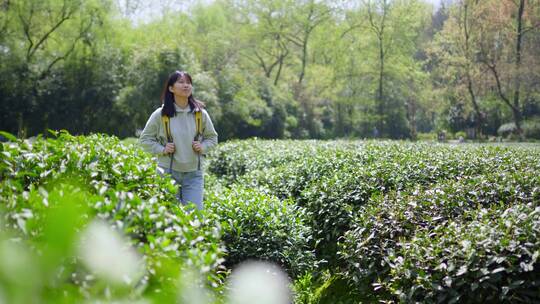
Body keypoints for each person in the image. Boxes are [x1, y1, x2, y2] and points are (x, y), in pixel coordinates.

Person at [139, 70, 218, 210]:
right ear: (171, 88)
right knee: (168, 216)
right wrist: (162, 149)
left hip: (194, 173)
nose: (186, 85)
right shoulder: (160, 114)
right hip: (167, 173)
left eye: (188, 82)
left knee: (195, 215)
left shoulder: (200, 114)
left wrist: (203, 147)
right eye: (181, 82)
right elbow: (145, 140)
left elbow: (212, 138)